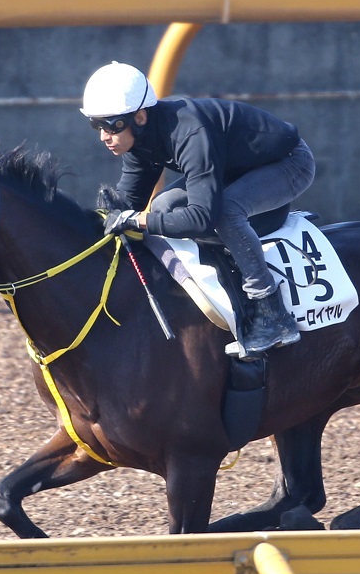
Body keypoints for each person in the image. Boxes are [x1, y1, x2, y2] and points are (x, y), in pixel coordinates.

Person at [81, 61, 316, 354]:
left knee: (227, 211)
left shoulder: (190, 132)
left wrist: (138, 221)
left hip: (289, 163)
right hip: (236, 169)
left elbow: (203, 218)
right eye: (96, 124)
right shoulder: (139, 140)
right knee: (163, 205)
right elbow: (127, 204)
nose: (103, 136)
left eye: (110, 124)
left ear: (139, 117)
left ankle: (270, 309)